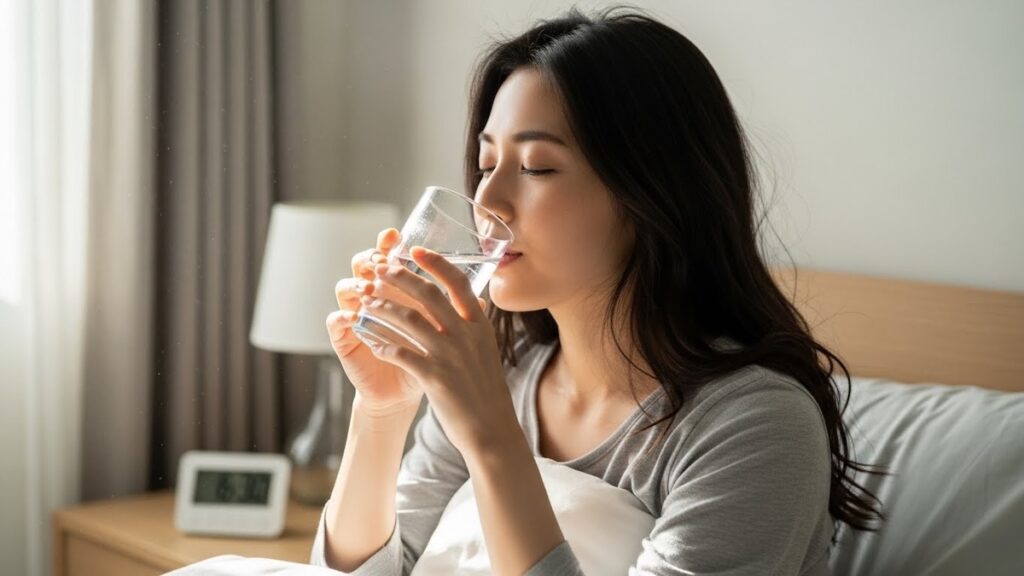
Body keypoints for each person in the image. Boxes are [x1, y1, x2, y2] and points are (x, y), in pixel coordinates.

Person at [316, 7, 883, 575]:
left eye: (536, 167)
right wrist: (382, 410)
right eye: (487, 164)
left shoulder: (756, 424)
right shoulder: (504, 372)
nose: (487, 202)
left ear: (651, 193)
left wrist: (490, 436)